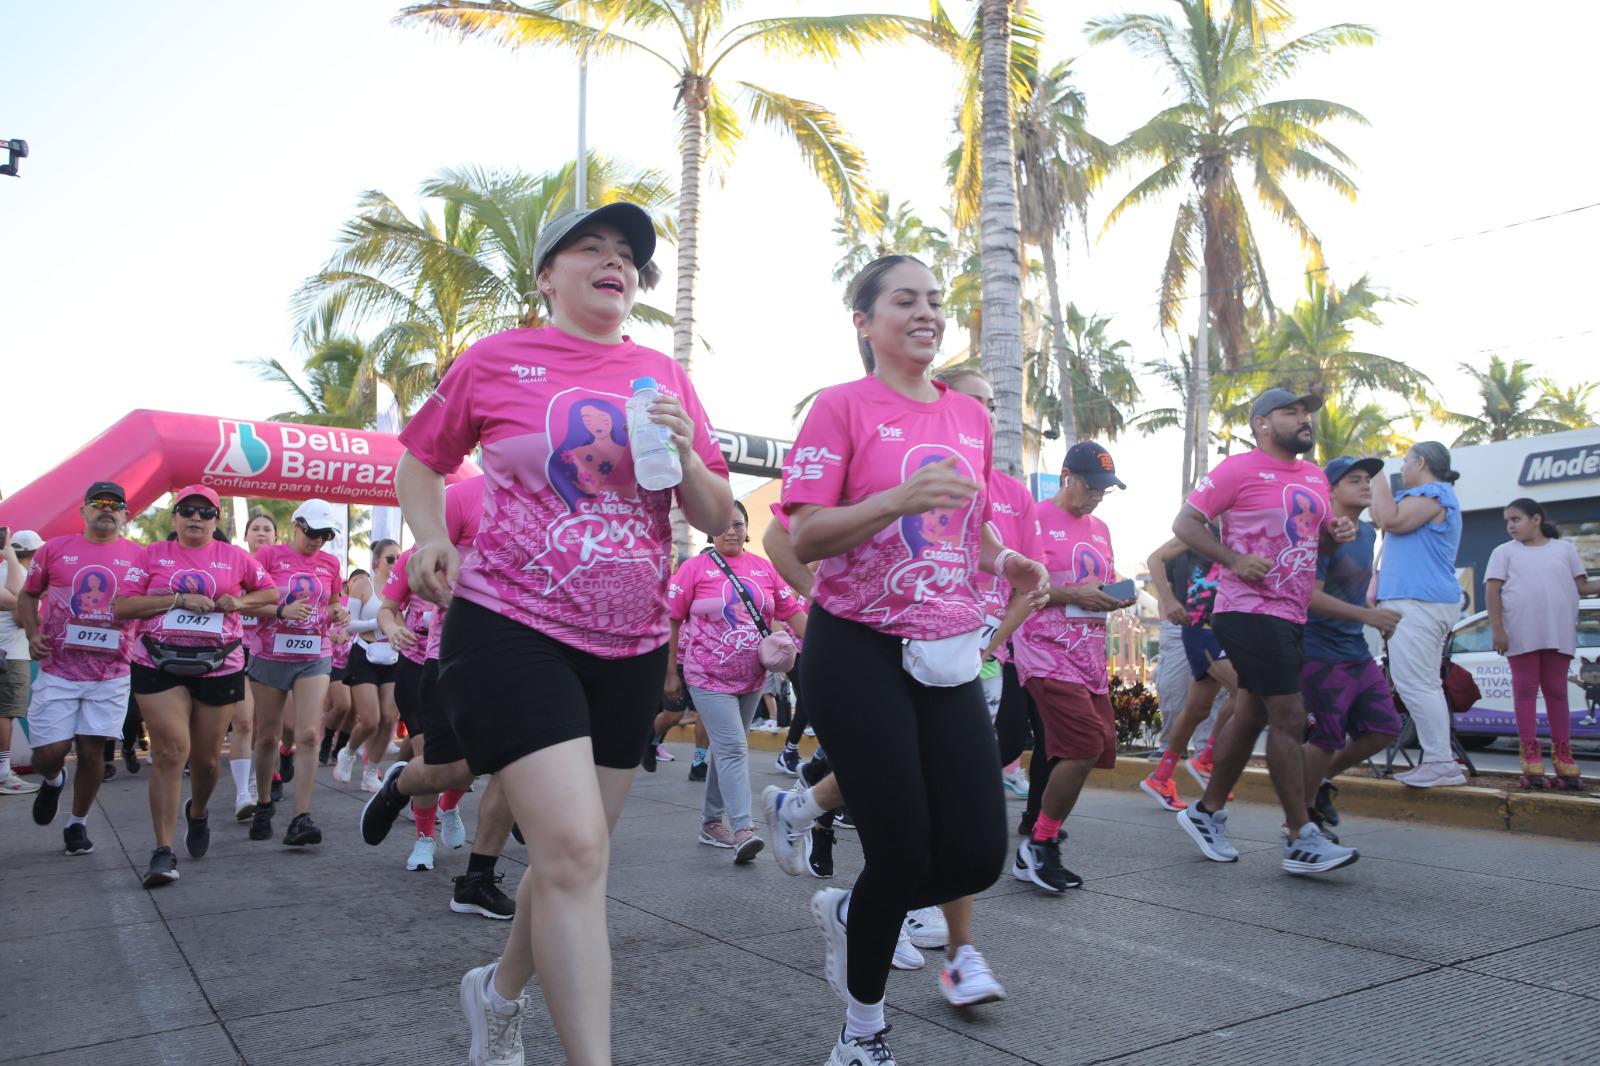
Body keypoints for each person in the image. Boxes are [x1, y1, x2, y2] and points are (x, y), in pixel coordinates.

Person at [394, 202, 732, 1066]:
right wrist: (432, 534)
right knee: (578, 851)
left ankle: (497, 995)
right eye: (593, 247)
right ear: (548, 274)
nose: (614, 261)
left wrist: (688, 452)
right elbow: (420, 459)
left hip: (626, 646)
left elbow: (716, 513)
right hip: (509, 627)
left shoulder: (661, 373)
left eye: (626, 254)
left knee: (567, 863)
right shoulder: (497, 359)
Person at [780, 254, 1047, 1066]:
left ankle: (851, 913)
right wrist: (893, 499)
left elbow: (970, 525)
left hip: (946, 646)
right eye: (905, 301)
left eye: (934, 300)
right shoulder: (840, 408)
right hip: (855, 643)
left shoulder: (970, 418)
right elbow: (806, 535)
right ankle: (862, 1033)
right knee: (899, 850)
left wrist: (1006, 565)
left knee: (974, 854)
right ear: (865, 322)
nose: (926, 312)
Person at [1172, 389, 1361, 876]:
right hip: (1247, 608)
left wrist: (1330, 535)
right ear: (1261, 423)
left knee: (1252, 712)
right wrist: (1234, 559)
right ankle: (1300, 836)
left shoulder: (1316, 476)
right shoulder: (1238, 469)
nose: (1303, 419)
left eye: (1305, 413)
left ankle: (1206, 811)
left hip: (1292, 610)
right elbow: (1187, 523)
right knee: (1289, 714)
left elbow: (1309, 542)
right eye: (1290, 412)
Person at [113, 486, 278, 886]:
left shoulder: (236, 558)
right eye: (187, 510)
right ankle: (163, 851)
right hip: (157, 661)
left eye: (205, 513)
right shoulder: (150, 555)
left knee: (205, 762)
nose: (196, 518)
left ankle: (198, 812)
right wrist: (177, 601)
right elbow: (122, 606)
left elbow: (271, 594)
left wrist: (238, 603)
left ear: (216, 521)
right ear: (174, 517)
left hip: (219, 666)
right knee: (171, 750)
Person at [1007, 443, 1136, 892]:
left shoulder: (1099, 527)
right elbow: (1017, 585)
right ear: (1066, 477)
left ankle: (1041, 840)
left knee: (1092, 748)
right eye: (1091, 486)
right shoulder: (1034, 519)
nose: (1097, 497)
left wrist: (1118, 593)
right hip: (1044, 649)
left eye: (1105, 490)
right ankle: (1039, 844)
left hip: (1088, 655)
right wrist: (1074, 595)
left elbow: (1100, 583)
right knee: (1081, 744)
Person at [666, 499, 805, 863]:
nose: (732, 530)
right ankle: (743, 828)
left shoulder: (763, 568)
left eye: (739, 524)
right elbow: (672, 621)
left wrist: (827, 649)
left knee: (726, 750)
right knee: (731, 748)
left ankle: (711, 823)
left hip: (752, 677)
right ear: (710, 529)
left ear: (747, 529)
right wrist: (669, 672)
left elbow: (791, 611)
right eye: (725, 524)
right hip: (706, 676)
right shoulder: (693, 568)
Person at [18, 482, 143, 854]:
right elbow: (27, 594)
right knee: (49, 752)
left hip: (111, 673)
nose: (107, 509)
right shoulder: (54, 550)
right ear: (83, 511)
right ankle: (54, 780)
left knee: (92, 750)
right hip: (58, 670)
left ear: (125, 514)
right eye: (98, 503)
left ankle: (77, 824)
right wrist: (31, 632)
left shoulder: (140, 556)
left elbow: (151, 603)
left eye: (115, 504)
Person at [1297, 458, 1404, 833]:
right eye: (1353, 480)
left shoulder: (1368, 535)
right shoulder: (1321, 533)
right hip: (1319, 650)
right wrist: (1367, 617)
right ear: (1331, 491)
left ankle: (1317, 781)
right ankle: (1300, 819)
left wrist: (1374, 611)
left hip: (1354, 648)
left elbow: (1353, 594)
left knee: (1384, 727)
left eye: (1367, 480)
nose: (1365, 485)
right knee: (1326, 737)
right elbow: (1309, 596)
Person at [245, 498, 347, 846]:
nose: (319, 540)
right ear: (297, 526)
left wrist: (338, 615)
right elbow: (248, 600)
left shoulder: (331, 563)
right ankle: (262, 803)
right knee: (269, 735)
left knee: (307, 735)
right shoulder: (269, 557)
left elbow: (333, 601)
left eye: (326, 534)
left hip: (314, 653)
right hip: (270, 653)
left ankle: (300, 818)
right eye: (313, 532)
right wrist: (280, 611)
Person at [1370, 441, 1467, 788]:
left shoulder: (1434, 494)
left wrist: (1375, 471)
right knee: (1421, 683)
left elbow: (1388, 520)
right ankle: (1440, 760)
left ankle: (1441, 761)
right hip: (1414, 601)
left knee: (1418, 684)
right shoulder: (1431, 496)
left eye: (1405, 462)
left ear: (1421, 462)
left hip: (1420, 602)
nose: (1402, 468)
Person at [1486, 497, 1600, 789]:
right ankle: (1530, 755)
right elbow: (1493, 591)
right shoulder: (1503, 552)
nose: (1510, 526)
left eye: (1516, 519)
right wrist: (1498, 629)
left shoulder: (1564, 550)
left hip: (1558, 633)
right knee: (1525, 692)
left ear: (1536, 519)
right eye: (1507, 521)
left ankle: (1563, 755)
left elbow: (1583, 587)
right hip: (1520, 633)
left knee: (1557, 694)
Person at [1140, 532, 1237, 810]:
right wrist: (1169, 601)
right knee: (1247, 692)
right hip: (1201, 628)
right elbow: (1155, 559)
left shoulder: (1244, 528)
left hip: (1228, 628)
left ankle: (1161, 776)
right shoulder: (1201, 530)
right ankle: (1207, 758)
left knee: (1197, 709)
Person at [335, 540, 401, 792]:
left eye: (398, 558)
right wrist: (379, 622)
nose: (395, 563)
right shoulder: (364, 585)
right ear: (376, 562)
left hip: (391, 655)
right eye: (390, 558)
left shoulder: (401, 587)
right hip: (364, 654)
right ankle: (348, 751)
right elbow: (348, 625)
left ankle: (371, 772)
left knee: (389, 718)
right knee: (371, 719)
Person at [230, 511, 280, 819]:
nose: (261, 533)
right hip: (236, 650)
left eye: (267, 529)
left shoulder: (282, 571)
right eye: (255, 528)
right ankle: (243, 795)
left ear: (276, 537)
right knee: (245, 722)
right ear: (246, 535)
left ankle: (259, 779)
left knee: (267, 729)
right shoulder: (232, 564)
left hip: (273, 653)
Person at [0, 529, 42, 795]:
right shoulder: (21, 575)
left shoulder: (7, 570)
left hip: (8, 653)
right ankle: (3, 772)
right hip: (11, 655)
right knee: (6, 713)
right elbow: (19, 614)